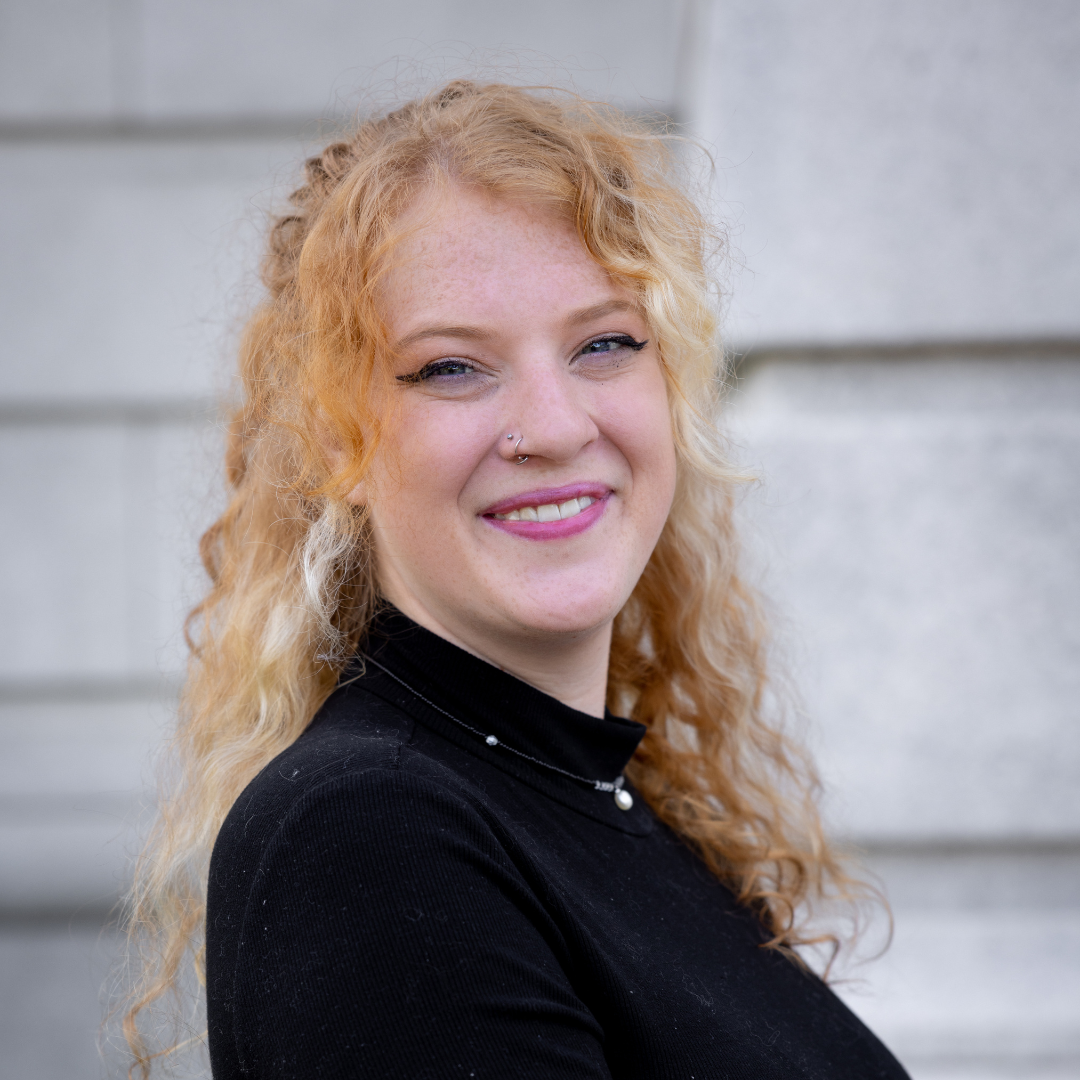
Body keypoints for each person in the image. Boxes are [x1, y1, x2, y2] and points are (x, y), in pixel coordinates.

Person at [124, 80, 908, 1079]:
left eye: (607, 344)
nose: (554, 426)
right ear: (339, 442)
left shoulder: (596, 797)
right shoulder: (374, 839)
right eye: (453, 367)